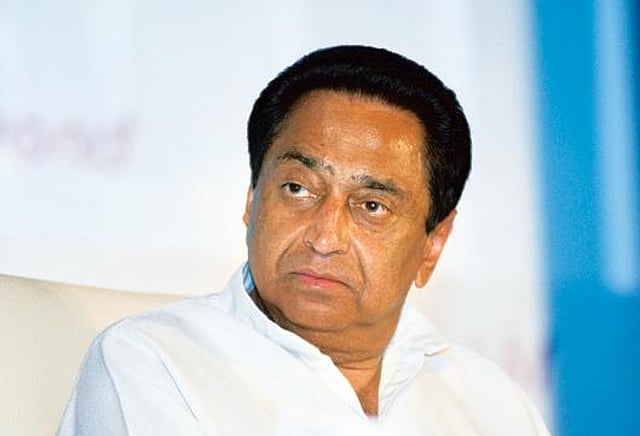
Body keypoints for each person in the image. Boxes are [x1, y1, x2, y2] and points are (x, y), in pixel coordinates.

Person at [58, 45, 550, 435]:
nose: (324, 236)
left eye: (371, 206)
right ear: (252, 200)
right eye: (297, 189)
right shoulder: (155, 363)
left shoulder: (492, 403)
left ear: (433, 244)